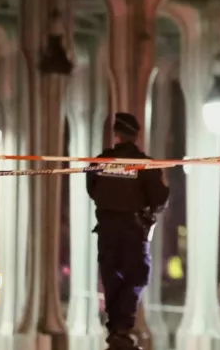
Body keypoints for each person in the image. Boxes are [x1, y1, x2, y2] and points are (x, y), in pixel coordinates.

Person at [86, 113, 169, 350]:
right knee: (136, 276)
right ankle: (121, 328)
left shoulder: (100, 162)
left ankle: (116, 330)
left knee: (111, 278)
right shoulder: (144, 164)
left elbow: (92, 190)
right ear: (136, 135)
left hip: (107, 229)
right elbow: (160, 199)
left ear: (116, 134)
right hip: (133, 230)